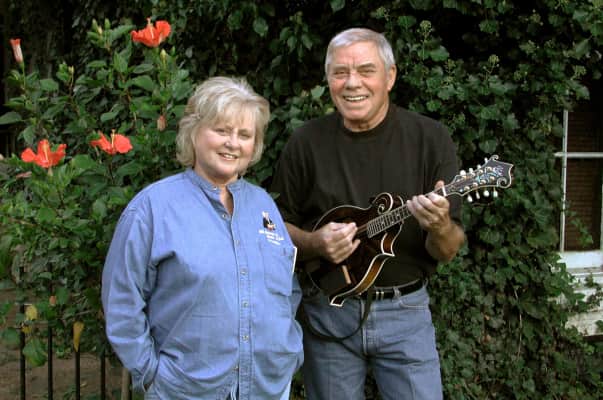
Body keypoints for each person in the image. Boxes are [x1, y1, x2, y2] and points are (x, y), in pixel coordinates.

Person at [270, 28, 465, 400]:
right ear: (328, 80)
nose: (352, 83)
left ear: (390, 77)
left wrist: (440, 226)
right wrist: (314, 242)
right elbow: (275, 229)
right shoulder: (306, 142)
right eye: (340, 72)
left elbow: (448, 250)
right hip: (328, 311)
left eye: (365, 70)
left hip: (406, 313)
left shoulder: (430, 139)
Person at [102, 76, 303, 400]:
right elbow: (122, 300)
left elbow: (287, 288)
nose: (233, 143)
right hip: (186, 390)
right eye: (221, 130)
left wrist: (290, 350)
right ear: (193, 132)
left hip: (268, 387)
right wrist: (152, 375)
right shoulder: (153, 208)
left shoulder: (263, 206)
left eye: (244, 135)